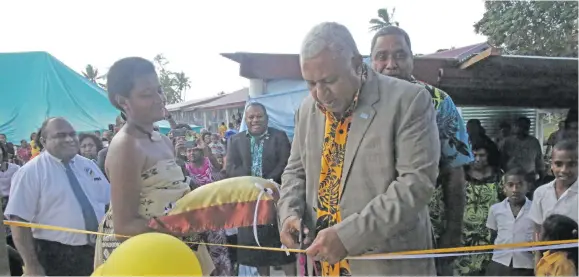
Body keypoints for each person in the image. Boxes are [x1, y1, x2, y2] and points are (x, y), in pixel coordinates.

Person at [277, 22, 440, 276]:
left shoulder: (409, 101)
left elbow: (415, 185)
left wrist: (348, 236)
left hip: (383, 265)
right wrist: (288, 214)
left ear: (355, 63)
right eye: (310, 83)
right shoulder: (307, 109)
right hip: (321, 265)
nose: (320, 94)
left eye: (329, 81)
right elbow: (295, 171)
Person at [93, 57, 215, 275]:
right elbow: (125, 227)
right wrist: (181, 226)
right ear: (123, 101)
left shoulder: (163, 140)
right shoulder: (126, 146)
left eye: (159, 90)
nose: (159, 99)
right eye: (147, 94)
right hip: (144, 257)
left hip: (174, 246)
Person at [369, 25, 472, 276]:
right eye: (382, 56)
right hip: (368, 231)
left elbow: (455, 172)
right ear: (370, 62)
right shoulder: (358, 104)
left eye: (400, 55)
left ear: (412, 59)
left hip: (427, 233)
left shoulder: (437, 102)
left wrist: (452, 233)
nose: (391, 64)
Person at [5, 117, 110, 276]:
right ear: (43, 140)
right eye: (60, 135)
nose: (69, 139)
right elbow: (18, 222)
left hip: (97, 251)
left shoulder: (88, 166)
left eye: (72, 134)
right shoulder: (30, 172)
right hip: (55, 255)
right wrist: (31, 265)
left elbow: (108, 202)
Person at [226, 102, 295, 276]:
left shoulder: (279, 137)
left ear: (266, 118)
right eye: (251, 117)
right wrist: (251, 182)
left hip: (275, 198)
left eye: (259, 116)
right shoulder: (235, 140)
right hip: (250, 203)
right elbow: (231, 167)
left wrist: (267, 183)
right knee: (257, 250)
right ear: (246, 119)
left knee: (284, 248)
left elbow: (285, 163)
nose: (255, 120)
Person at [485, 168, 535, 276]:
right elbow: (493, 233)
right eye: (510, 185)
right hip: (499, 262)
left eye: (520, 185)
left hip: (526, 264)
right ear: (504, 188)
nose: (515, 189)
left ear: (528, 187)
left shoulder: (535, 209)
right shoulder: (495, 209)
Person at [530, 140, 578, 228]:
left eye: (571, 164)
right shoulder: (540, 193)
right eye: (558, 164)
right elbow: (537, 228)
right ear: (551, 164)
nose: (564, 170)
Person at [499, 117, 544, 183]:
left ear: (528, 128)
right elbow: (501, 159)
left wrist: (541, 178)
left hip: (529, 177)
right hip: (512, 176)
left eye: (525, 127)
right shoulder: (507, 142)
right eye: (520, 126)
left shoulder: (534, 142)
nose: (522, 129)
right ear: (516, 126)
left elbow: (539, 160)